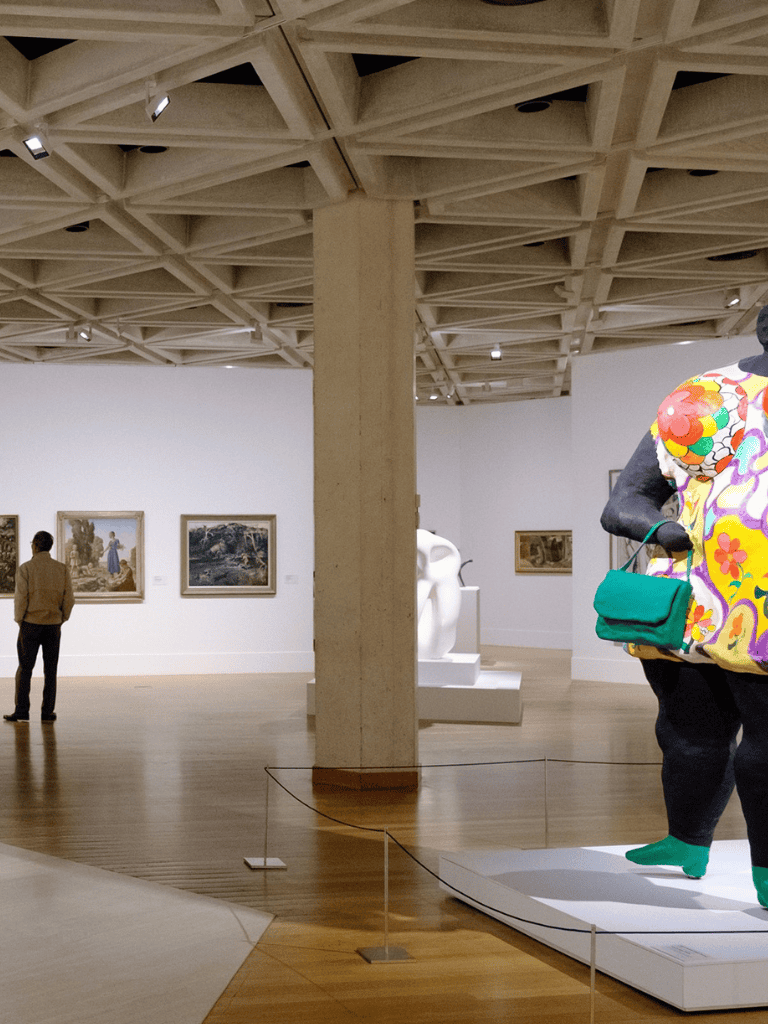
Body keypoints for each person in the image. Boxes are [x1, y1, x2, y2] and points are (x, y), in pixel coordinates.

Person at [601, 306, 768, 909]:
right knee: (688, 732)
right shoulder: (703, 398)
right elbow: (625, 501)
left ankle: (766, 870)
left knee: (765, 745)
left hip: (758, 613)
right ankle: (686, 840)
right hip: (692, 604)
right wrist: (661, 529)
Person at [4, 530, 74, 723]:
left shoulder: (26, 568)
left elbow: (21, 599)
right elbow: (69, 599)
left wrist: (20, 620)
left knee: (25, 669)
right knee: (50, 670)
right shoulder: (61, 569)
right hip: (53, 625)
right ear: (50, 547)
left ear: (34, 546)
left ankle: (21, 711)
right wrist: (61, 618)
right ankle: (47, 712)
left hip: (30, 625)